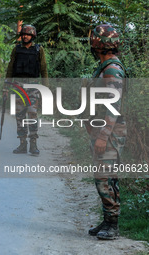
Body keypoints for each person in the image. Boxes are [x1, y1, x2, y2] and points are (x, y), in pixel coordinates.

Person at [86, 24, 127, 240]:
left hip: (110, 132)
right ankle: (108, 219)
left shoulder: (112, 69)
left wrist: (103, 135)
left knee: (104, 177)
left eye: (94, 38)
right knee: (107, 177)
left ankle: (113, 225)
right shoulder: (105, 66)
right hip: (104, 129)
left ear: (100, 44)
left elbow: (114, 105)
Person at [5, 24, 48, 156]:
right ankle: (22, 143)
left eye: (28, 34)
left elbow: (43, 69)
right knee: (20, 115)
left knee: (32, 114)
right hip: (18, 86)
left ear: (32, 36)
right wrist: (6, 88)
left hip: (33, 86)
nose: (25, 36)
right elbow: (10, 68)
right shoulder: (16, 49)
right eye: (23, 34)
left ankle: (33, 143)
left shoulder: (38, 49)